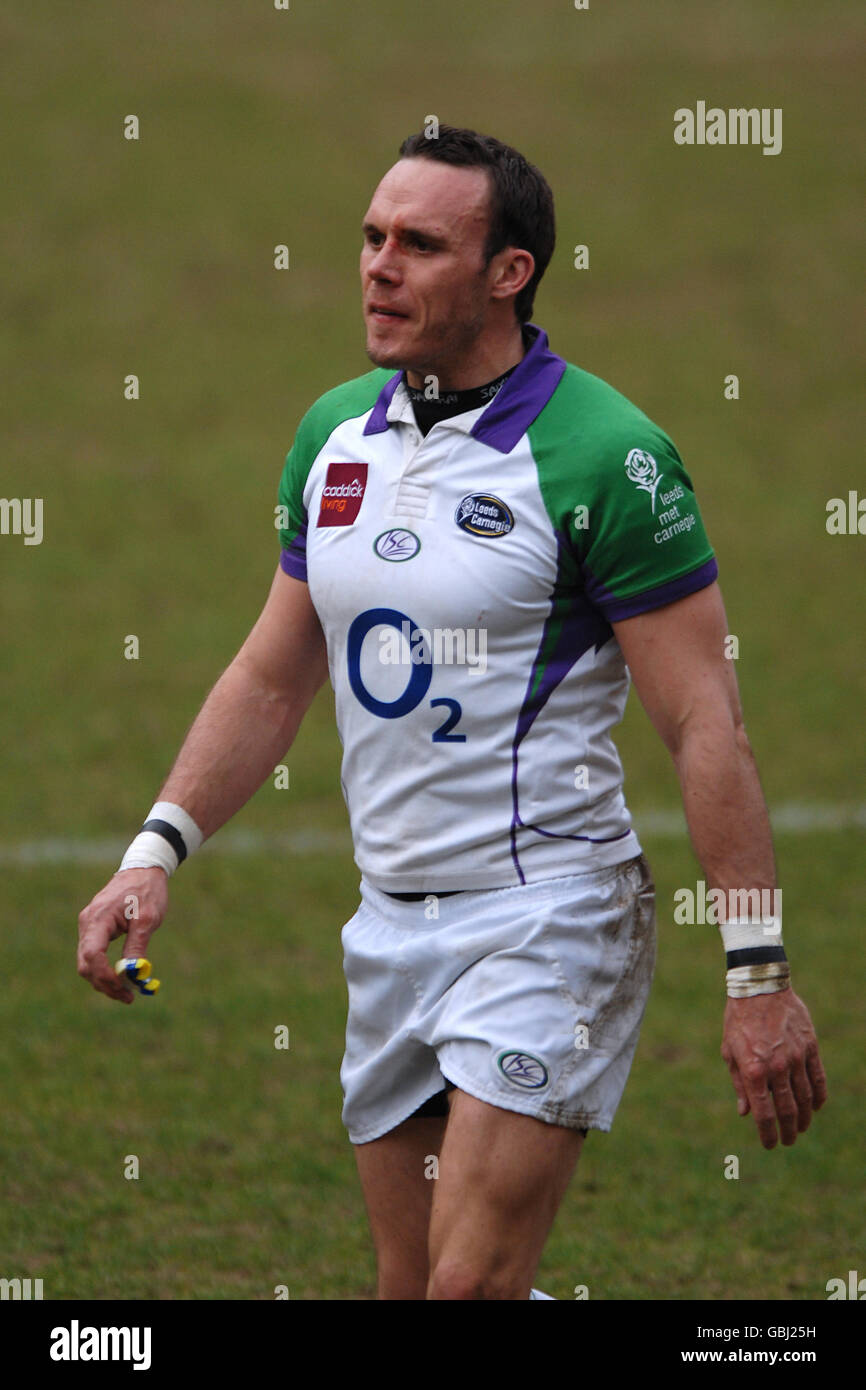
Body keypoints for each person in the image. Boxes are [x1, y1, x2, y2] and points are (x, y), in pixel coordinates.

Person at [78, 125, 827, 1301]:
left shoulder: (603, 460)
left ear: (506, 273)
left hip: (550, 919)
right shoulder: (333, 436)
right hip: (389, 928)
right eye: (371, 237)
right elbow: (273, 674)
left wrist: (755, 973)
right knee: (411, 1290)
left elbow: (703, 725)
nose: (378, 265)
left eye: (420, 245)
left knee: (465, 1288)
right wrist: (154, 848)